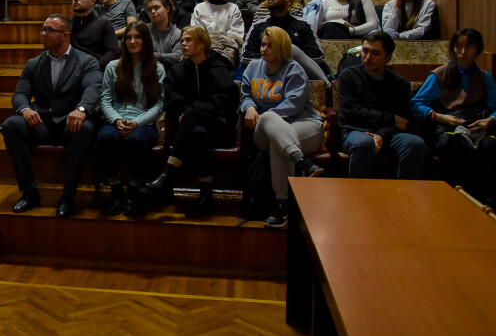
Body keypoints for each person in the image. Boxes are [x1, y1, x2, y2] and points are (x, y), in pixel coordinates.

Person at [410, 28, 496, 225]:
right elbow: (416, 103)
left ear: (478, 50)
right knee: (454, 146)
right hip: (449, 126)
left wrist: (491, 120)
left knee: (493, 147)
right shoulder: (440, 74)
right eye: (459, 46)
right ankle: (455, 203)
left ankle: (490, 205)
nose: (463, 52)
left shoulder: (483, 77)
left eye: (469, 47)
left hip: (476, 125)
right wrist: (439, 116)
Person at [2, 14, 101, 218]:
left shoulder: (86, 61)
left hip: (70, 123)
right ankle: (29, 192)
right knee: (11, 125)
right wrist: (25, 110)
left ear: (65, 35)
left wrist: (81, 110)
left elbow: (93, 89)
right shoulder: (34, 63)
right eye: (42, 29)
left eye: (48, 30)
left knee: (85, 128)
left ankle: (68, 196)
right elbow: (20, 94)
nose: (43, 34)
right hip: (42, 122)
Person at [142, 26, 239, 216]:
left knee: (193, 114)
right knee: (197, 133)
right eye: (182, 41)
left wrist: (195, 111)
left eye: (188, 40)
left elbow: (228, 101)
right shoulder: (178, 71)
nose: (183, 44)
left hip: (220, 131)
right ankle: (206, 197)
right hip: (189, 132)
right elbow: (171, 100)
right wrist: (190, 112)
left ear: (202, 44)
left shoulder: (220, 68)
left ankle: (168, 173)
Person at [240, 26, 326, 228]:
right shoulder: (253, 66)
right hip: (263, 130)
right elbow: (245, 94)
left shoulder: (294, 69)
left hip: (305, 125)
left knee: (279, 144)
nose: (264, 49)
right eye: (263, 44)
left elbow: (294, 105)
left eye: (270, 45)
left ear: (282, 48)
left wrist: (265, 115)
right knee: (271, 122)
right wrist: (250, 107)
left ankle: (282, 206)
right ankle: (303, 163)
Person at [97, 22, 165, 217]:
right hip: (116, 119)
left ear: (146, 41)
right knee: (105, 138)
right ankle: (117, 191)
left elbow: (159, 105)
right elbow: (105, 99)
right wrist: (117, 120)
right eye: (129, 38)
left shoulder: (157, 68)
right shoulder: (113, 66)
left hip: (143, 123)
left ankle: (134, 192)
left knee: (137, 140)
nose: (133, 41)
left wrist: (136, 123)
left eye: (138, 37)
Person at [338, 31, 426, 180]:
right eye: (365, 51)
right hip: (356, 130)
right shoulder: (348, 76)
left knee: (415, 144)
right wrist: (391, 119)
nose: (368, 57)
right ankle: (356, 197)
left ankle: (407, 196)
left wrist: (382, 134)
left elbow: (403, 121)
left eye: (376, 53)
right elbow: (350, 112)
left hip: (390, 134)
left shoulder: (400, 83)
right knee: (364, 144)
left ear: (388, 56)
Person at [241, 0, 328, 78]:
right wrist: (277, 60)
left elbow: (317, 57)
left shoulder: (304, 26)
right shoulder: (257, 26)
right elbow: (246, 58)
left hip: (297, 77)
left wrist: (281, 62)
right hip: (265, 78)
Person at [191, 0, 245, 64]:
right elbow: (197, 33)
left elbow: (237, 35)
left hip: (227, 52)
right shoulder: (199, 8)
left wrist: (215, 40)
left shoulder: (233, 8)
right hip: (204, 50)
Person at [70, 0, 120, 70]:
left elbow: (113, 51)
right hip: (72, 68)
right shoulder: (67, 23)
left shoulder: (104, 23)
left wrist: (96, 65)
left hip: (95, 67)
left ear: (92, 2)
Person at [143, 0, 182, 67]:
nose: (153, 12)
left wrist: (157, 56)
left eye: (156, 7)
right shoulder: (143, 30)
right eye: (150, 9)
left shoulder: (178, 34)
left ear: (167, 8)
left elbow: (178, 56)